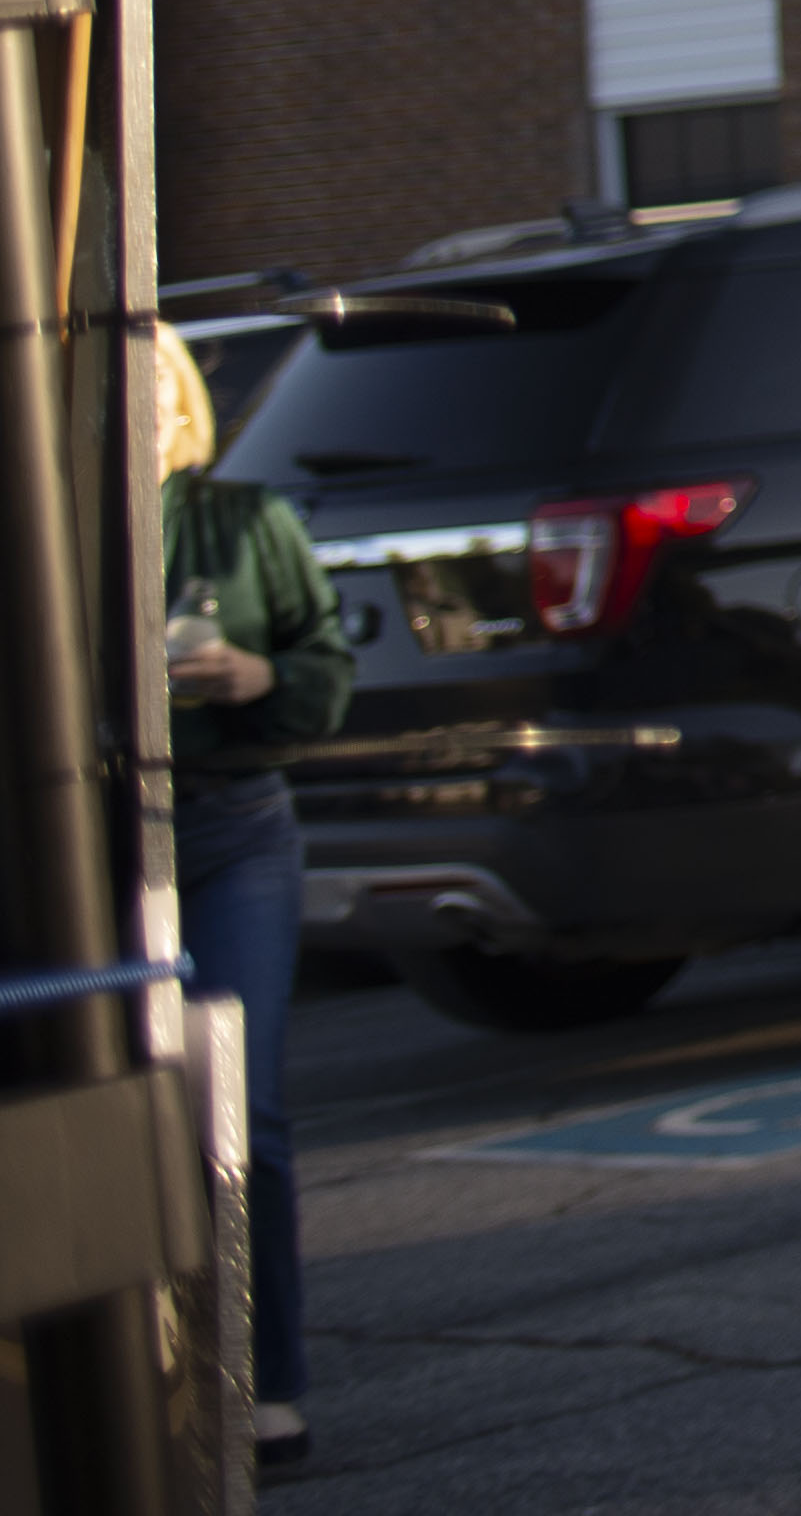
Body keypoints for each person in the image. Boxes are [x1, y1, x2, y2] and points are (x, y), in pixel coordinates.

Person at [158, 330, 347, 1472]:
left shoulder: (238, 519)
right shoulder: (50, 511)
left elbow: (326, 668)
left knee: (241, 1109)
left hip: (229, 826)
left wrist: (261, 676)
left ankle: (265, 1381)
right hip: (90, 841)